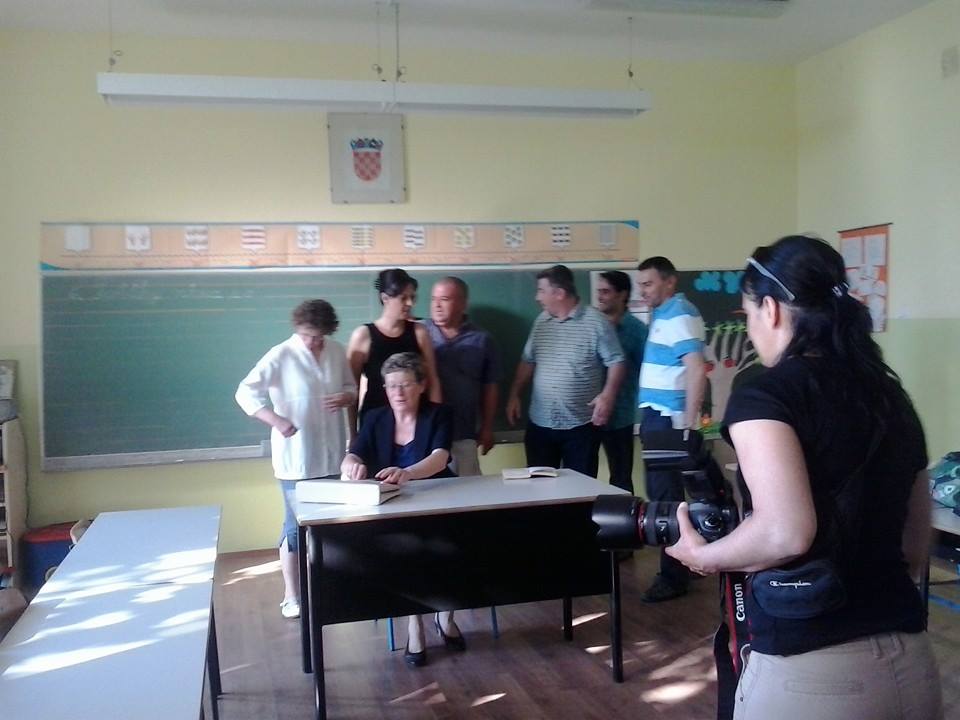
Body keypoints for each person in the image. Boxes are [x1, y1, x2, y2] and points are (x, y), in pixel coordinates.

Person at [665, 235, 943, 720]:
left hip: (815, 674)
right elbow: (915, 545)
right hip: (911, 664)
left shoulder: (766, 397)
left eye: (748, 315)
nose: (750, 329)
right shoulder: (890, 396)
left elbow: (784, 532)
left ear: (771, 309)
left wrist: (704, 557)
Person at [236, 299, 356, 620]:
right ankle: (291, 595)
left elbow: (351, 387)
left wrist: (346, 396)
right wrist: (276, 420)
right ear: (298, 329)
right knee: (294, 528)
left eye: (319, 337)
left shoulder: (337, 351)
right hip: (295, 459)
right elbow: (245, 392)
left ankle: (328, 587)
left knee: (330, 524)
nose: (314, 342)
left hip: (331, 455)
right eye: (308, 336)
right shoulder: (280, 354)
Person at [341, 351, 460, 668]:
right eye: (391, 385)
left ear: (421, 386)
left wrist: (408, 472)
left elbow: (439, 459)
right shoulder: (374, 418)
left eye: (405, 384)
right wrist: (351, 463)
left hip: (437, 499)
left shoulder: (440, 414)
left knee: (455, 549)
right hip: (393, 506)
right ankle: (414, 626)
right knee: (405, 555)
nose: (398, 392)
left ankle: (445, 618)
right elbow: (354, 454)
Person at [506, 265, 625, 477]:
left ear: (559, 293)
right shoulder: (542, 321)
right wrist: (515, 394)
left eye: (541, 290)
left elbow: (616, 361)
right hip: (541, 424)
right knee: (538, 488)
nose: (537, 297)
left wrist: (608, 396)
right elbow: (528, 360)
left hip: (581, 427)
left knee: (581, 490)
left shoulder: (596, 322)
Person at [636, 255, 706, 602]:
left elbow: (696, 368)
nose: (643, 291)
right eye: (641, 285)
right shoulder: (665, 313)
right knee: (667, 496)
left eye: (649, 284)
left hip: (670, 419)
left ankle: (673, 577)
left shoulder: (679, 314)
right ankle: (685, 562)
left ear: (669, 281)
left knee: (665, 500)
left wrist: (688, 422)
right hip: (659, 417)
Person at [422, 276, 500, 477]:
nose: (437, 306)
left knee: (467, 488)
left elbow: (490, 386)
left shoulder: (482, 339)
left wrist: (487, 427)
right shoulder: (419, 333)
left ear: (463, 304)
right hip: (425, 432)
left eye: (445, 299)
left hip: (463, 432)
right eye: (433, 299)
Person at [347, 268, 441, 433]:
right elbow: (351, 389)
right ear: (385, 298)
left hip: (415, 422)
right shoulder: (363, 336)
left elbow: (432, 380)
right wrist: (353, 434)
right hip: (375, 422)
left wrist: (436, 425)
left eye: (412, 297)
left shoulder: (419, 332)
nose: (410, 303)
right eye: (403, 298)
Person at [595, 271, 648, 493]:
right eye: (599, 291)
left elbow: (647, 372)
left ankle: (625, 516)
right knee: (582, 474)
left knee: (621, 478)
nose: (600, 297)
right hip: (588, 414)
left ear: (622, 295)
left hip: (620, 416)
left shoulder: (637, 330)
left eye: (605, 292)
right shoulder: (594, 325)